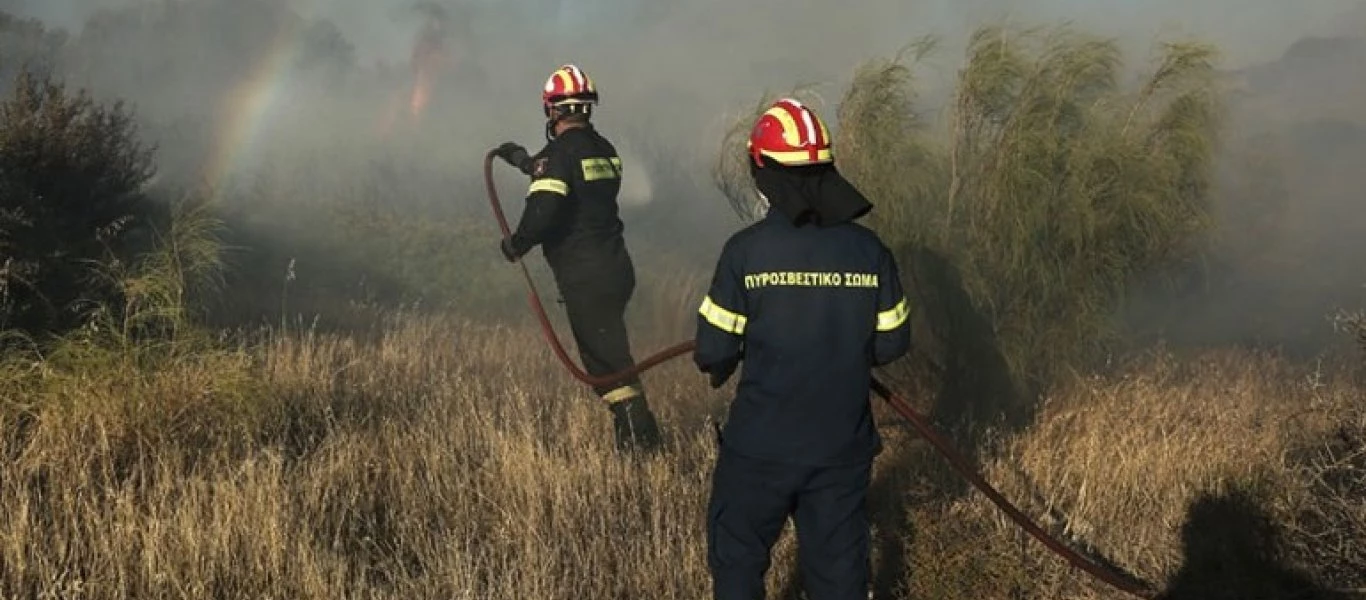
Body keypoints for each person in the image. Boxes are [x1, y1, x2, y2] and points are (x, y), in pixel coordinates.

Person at [693, 98, 913, 600]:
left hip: (759, 449)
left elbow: (712, 349)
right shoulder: (869, 252)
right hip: (840, 449)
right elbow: (893, 341)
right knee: (839, 578)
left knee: (739, 563)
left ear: (762, 170)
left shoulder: (745, 253)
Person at [491, 64, 663, 454]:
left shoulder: (560, 156)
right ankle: (640, 439)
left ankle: (641, 446)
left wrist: (517, 243)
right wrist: (520, 159)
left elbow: (546, 205)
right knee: (612, 355)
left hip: (587, 275)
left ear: (552, 110)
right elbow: (559, 168)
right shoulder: (604, 150)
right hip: (616, 268)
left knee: (607, 368)